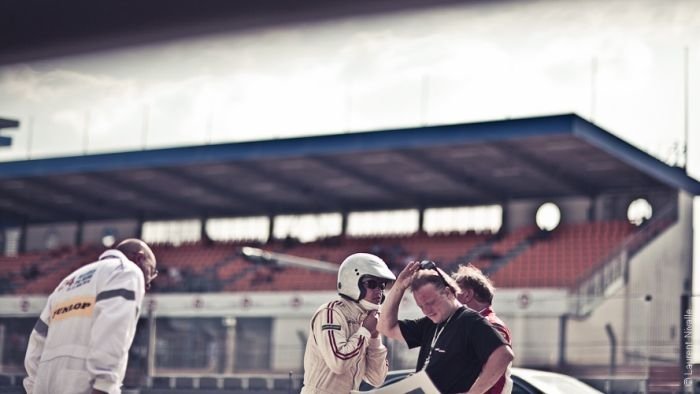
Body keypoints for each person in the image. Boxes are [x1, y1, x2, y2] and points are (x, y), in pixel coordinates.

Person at [24, 239, 158, 394]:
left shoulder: (67, 282)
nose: (149, 283)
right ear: (139, 258)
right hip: (86, 386)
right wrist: (104, 385)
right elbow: (113, 330)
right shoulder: (126, 272)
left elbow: (38, 339)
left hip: (44, 385)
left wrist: (34, 387)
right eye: (152, 271)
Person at [377, 260, 514, 394]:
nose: (427, 311)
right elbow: (385, 327)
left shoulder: (470, 320)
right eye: (421, 306)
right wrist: (399, 286)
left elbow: (503, 355)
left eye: (431, 302)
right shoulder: (430, 323)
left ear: (448, 293)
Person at [301, 253, 396, 394]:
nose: (379, 291)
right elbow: (339, 363)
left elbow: (377, 378)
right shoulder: (331, 313)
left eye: (382, 286)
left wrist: (375, 338)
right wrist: (365, 332)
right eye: (372, 284)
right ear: (353, 282)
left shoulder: (368, 319)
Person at [452, 264, 513, 394]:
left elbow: (493, 377)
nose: (450, 299)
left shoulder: (491, 325)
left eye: (453, 293)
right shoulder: (473, 325)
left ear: (467, 295)